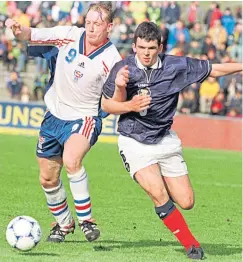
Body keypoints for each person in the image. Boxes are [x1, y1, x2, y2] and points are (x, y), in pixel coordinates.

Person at [101, 22, 242, 259]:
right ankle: (191, 245)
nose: (146, 53)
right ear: (134, 46)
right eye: (142, 47)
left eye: (151, 48)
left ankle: (160, 187)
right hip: (133, 141)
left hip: (165, 140)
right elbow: (106, 105)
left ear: (160, 47)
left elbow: (214, 69)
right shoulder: (122, 69)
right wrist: (127, 102)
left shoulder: (175, 66)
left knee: (186, 202)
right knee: (158, 193)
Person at [7, 3, 121, 243]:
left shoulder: (112, 59)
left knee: (72, 160)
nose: (90, 28)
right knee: (47, 178)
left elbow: (119, 95)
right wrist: (19, 31)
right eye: (88, 22)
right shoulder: (69, 35)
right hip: (54, 115)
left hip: (85, 117)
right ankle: (64, 223)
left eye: (97, 24)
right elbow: (32, 35)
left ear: (109, 27)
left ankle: (87, 221)